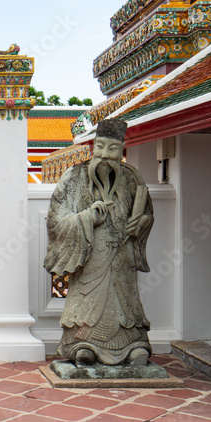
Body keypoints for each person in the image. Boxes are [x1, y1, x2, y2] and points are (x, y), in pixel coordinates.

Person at [43, 117, 154, 366]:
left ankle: (134, 346)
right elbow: (56, 219)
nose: (104, 155)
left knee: (126, 301)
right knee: (86, 303)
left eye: (112, 149)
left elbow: (147, 212)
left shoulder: (132, 178)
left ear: (121, 151)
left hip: (122, 256)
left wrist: (142, 222)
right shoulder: (74, 177)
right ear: (93, 146)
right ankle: (82, 346)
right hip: (90, 256)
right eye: (100, 147)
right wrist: (86, 218)